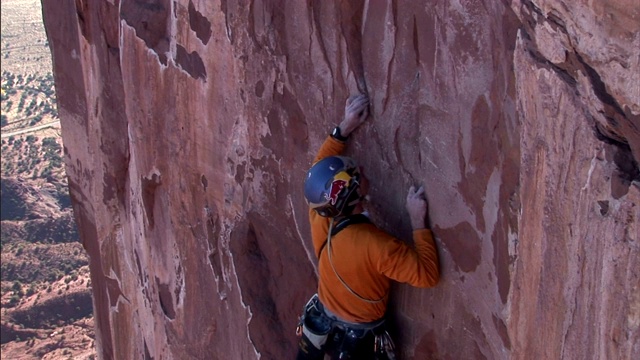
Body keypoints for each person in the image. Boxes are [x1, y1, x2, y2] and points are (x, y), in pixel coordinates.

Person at [296, 93, 440, 359]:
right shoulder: (376, 246)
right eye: (356, 174)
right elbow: (427, 275)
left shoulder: (321, 212)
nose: (361, 168)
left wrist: (344, 128)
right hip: (357, 342)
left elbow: (320, 169)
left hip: (322, 328)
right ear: (355, 197)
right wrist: (418, 222)